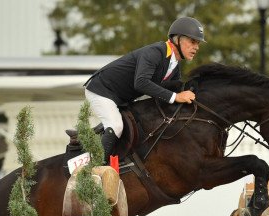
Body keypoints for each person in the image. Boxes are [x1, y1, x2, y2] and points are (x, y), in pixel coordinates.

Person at [84, 17, 206, 164]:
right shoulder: (155, 52)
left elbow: (172, 87)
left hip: (121, 97)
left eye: (198, 43)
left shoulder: (174, 64)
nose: (196, 47)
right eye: (193, 42)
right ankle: (94, 169)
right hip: (102, 90)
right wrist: (176, 97)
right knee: (116, 125)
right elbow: (141, 83)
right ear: (177, 39)